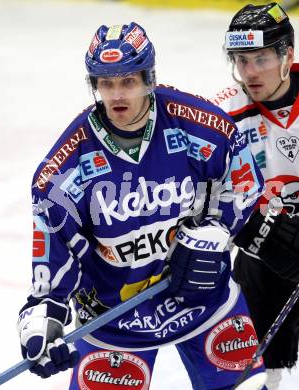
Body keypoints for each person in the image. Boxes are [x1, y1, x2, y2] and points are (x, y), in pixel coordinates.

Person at [17, 22, 267, 389]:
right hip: (114, 321)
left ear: (149, 79)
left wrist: (215, 231)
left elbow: (243, 183)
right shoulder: (62, 175)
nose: (117, 95)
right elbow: (53, 257)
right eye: (106, 83)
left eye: (128, 81)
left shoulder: (201, 126)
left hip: (204, 300)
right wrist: (43, 320)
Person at [210, 3, 299, 389]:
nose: (249, 72)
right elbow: (203, 197)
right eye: (241, 60)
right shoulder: (221, 113)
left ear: (287, 55)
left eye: (260, 58)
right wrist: (256, 233)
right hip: (262, 255)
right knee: (263, 371)